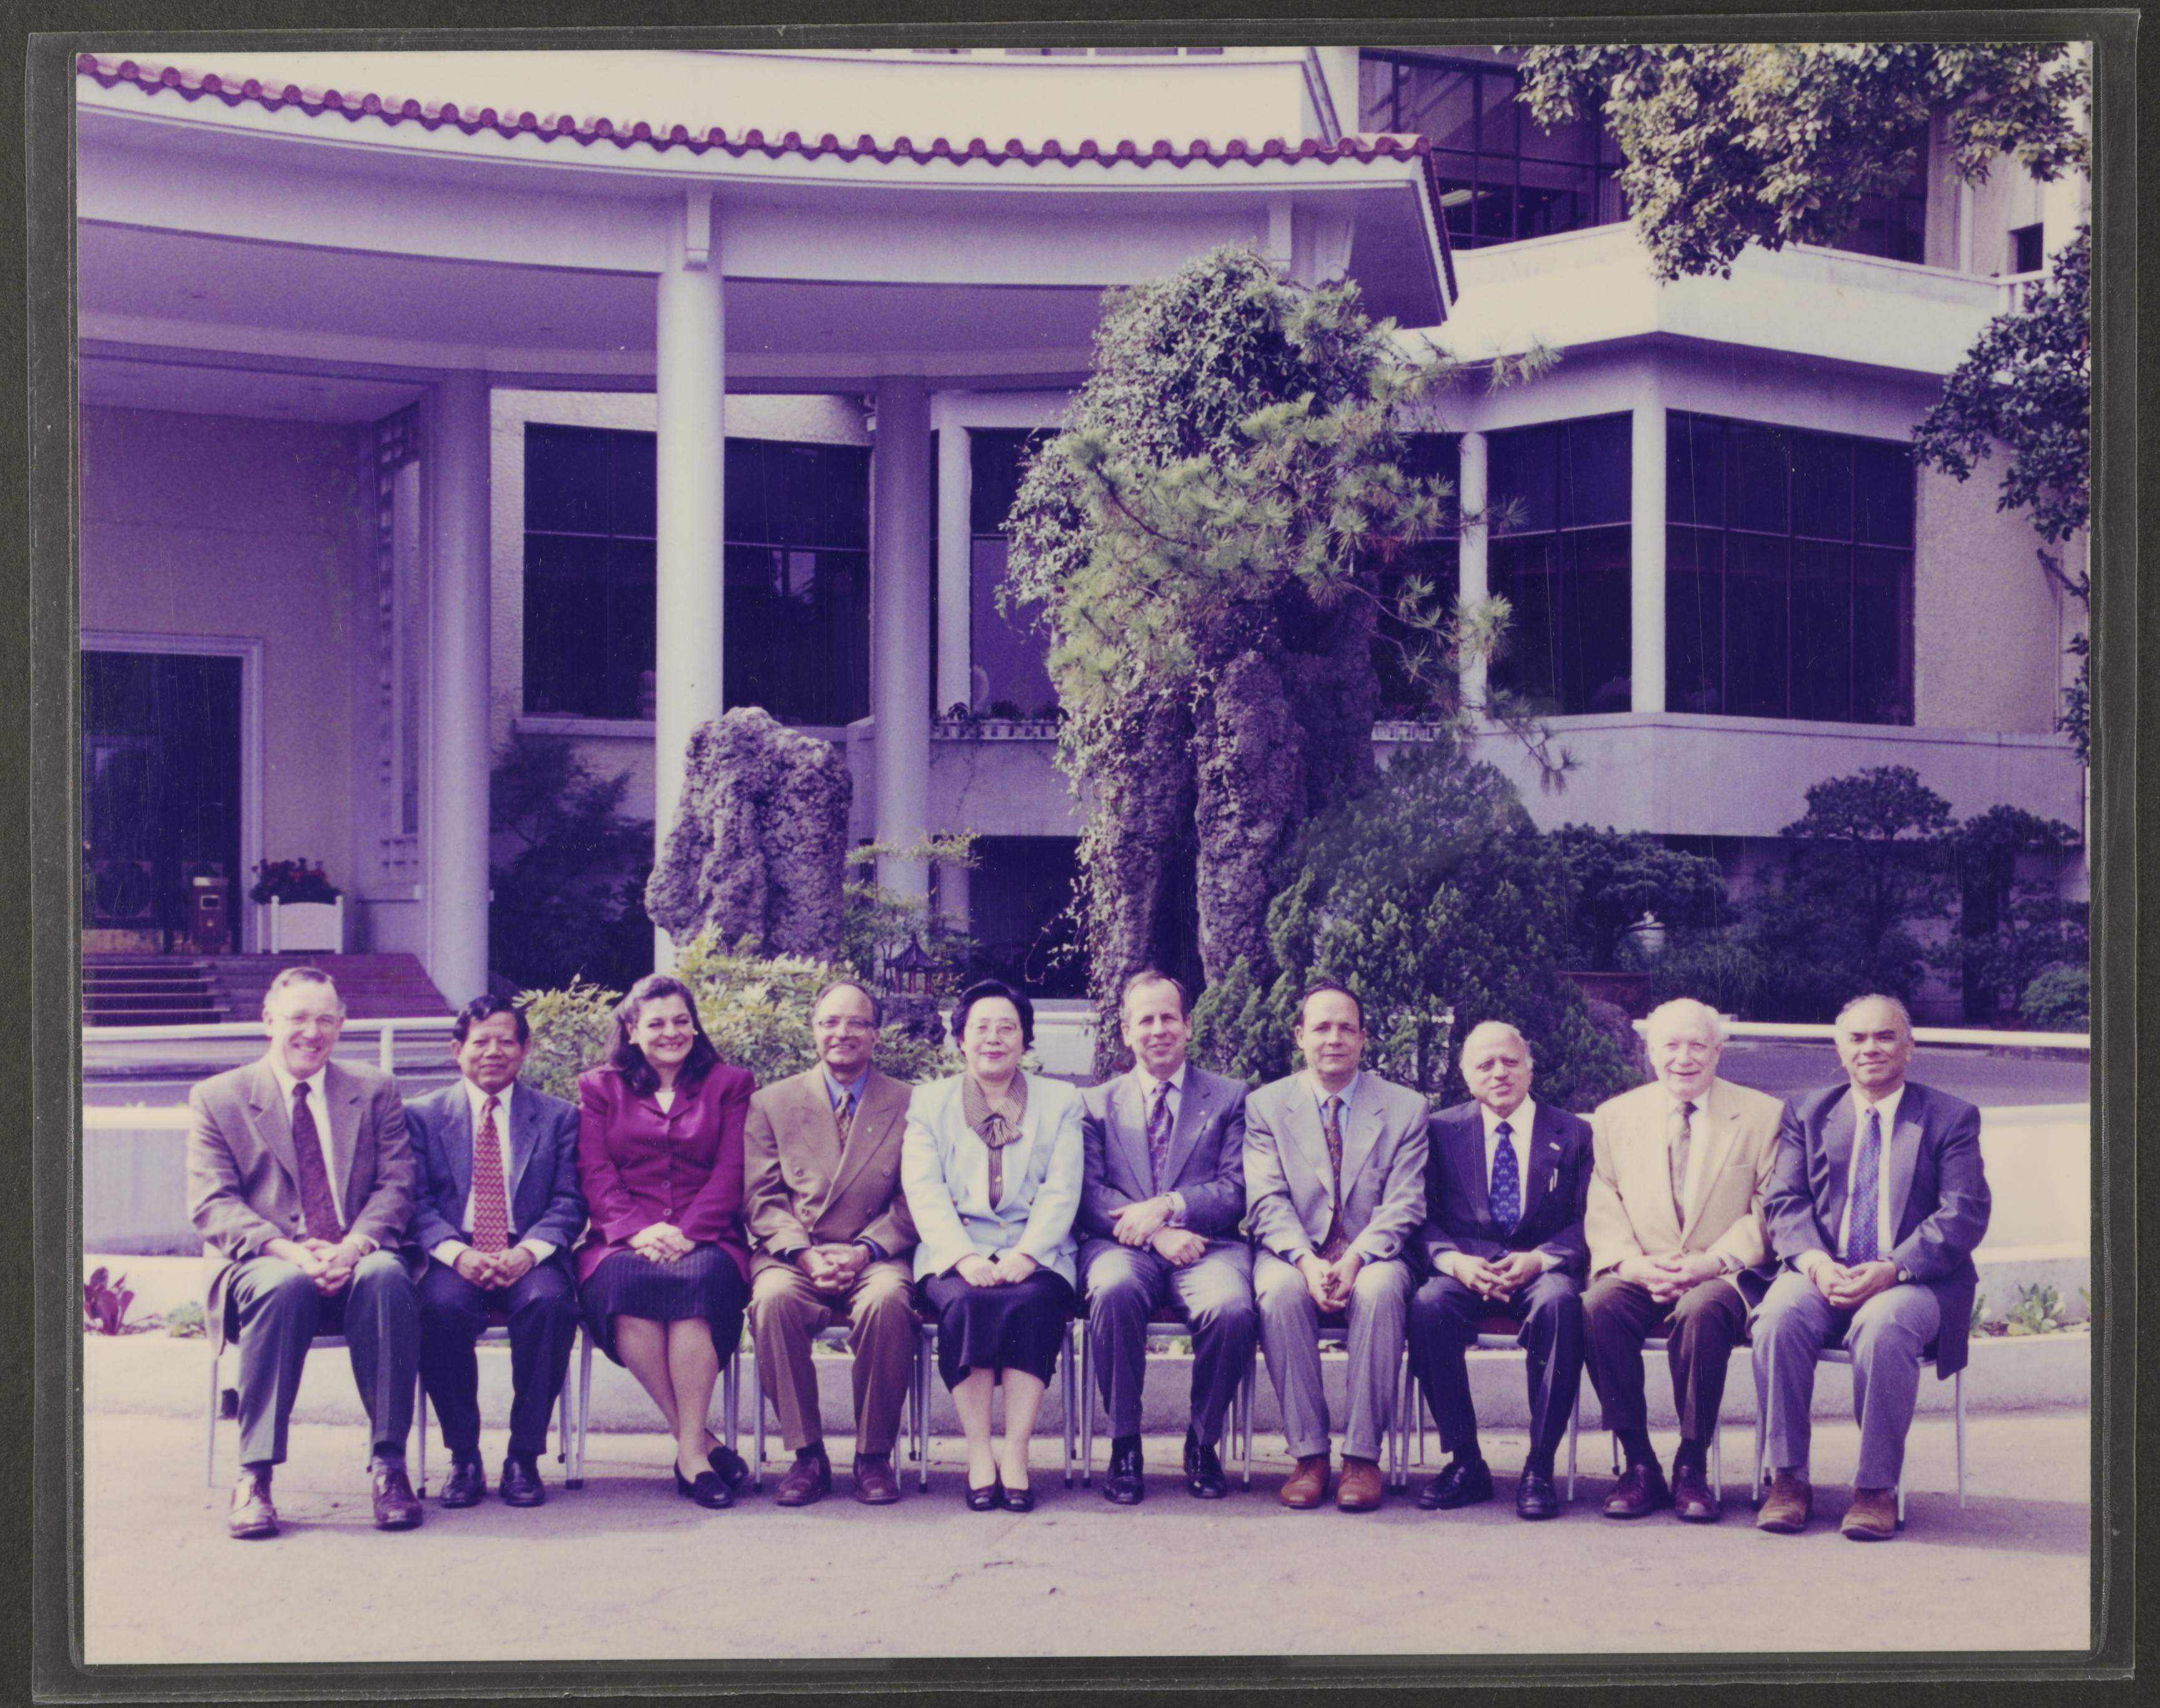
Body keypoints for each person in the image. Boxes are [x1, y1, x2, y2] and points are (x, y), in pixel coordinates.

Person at [186, 966, 422, 1539]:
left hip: (356, 1256)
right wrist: (292, 1253)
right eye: (298, 1018)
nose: (311, 1033)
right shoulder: (219, 1098)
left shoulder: (375, 1090)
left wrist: (352, 1247)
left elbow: (397, 1184)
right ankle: (254, 1477)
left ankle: (390, 1468)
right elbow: (213, 1203)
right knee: (283, 1284)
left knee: (387, 1273)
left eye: (325, 1020)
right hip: (265, 1265)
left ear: (342, 1024)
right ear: (268, 1021)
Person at [1754, 994, 1991, 1541]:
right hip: (1825, 1274)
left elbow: (1964, 1212)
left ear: (1910, 1047)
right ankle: (1787, 1480)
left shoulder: (1951, 1117)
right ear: (1839, 1050)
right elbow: (1784, 1201)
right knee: (1778, 1315)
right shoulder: (1807, 1113)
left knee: (1884, 1324)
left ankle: (1875, 1489)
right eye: (1857, 1038)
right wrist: (1815, 1265)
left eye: (1885, 1036)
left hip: (1916, 1282)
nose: (1870, 1048)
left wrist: (1894, 1268)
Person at [1582, 996, 1783, 1523]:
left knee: (1702, 1310)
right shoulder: (1615, 1116)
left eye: (1697, 1045)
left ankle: (1692, 1461)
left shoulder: (1762, 1115)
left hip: (1721, 1274)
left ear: (1718, 1052)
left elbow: (1768, 1207)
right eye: (1670, 1045)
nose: (1684, 1058)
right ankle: (1639, 1464)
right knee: (1597, 1307)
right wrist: (1629, 1264)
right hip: (1642, 1269)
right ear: (1651, 1052)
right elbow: (1604, 1200)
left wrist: (1712, 1263)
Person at [1244, 979, 1428, 1512]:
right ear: (1299, 1036)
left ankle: (1363, 1458)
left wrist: (1355, 1259)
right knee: (1279, 1293)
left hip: (1374, 1254)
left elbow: (1405, 1202)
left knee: (1379, 1291)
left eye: (1347, 1028)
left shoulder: (1406, 1108)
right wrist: (1305, 1261)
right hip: (1293, 1251)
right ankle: (1310, 1456)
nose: (1334, 1039)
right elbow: (1266, 1200)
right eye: (1321, 1027)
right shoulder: (1266, 1106)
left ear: (1363, 1038)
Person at [901, 979, 1084, 1513]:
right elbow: (924, 1189)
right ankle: (980, 1452)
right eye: (981, 1028)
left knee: (1033, 1302)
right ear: (961, 1038)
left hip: (1038, 1250)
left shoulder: (1061, 1101)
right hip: (956, 1249)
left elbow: (1063, 1187)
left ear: (1025, 1039)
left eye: (1008, 1028)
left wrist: (1029, 1254)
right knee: (967, 1302)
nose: (994, 1038)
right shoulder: (929, 1103)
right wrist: (963, 1257)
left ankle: (1017, 1452)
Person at [574, 974, 755, 1509]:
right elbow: (595, 1170)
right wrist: (637, 1229)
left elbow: (733, 1169)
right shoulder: (600, 1087)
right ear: (632, 1031)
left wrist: (688, 1233)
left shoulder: (730, 1084)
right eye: (656, 1024)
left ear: (695, 1026)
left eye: (681, 1020)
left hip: (709, 1237)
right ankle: (698, 1447)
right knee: (623, 1285)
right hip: (623, 1239)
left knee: (699, 1284)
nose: (671, 1032)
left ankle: (690, 1450)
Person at [1077, 969, 1256, 1503]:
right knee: (1113, 1291)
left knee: (1230, 1308)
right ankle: (1125, 1446)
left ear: (1188, 1025)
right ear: (1126, 1032)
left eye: (1169, 1018)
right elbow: (1088, 1193)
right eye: (1146, 1020)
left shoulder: (1230, 1098)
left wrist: (1171, 1207)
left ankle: (1202, 1443)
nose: (1158, 1030)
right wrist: (1155, 1233)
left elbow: (1236, 1188)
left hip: (1208, 1246)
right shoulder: (1095, 1104)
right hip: (1121, 1246)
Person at [742, 978, 920, 1506]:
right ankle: (807, 1456)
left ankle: (873, 1456)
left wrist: (866, 1249)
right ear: (814, 1031)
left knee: (888, 1302)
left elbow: (918, 1196)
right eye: (830, 1022)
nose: (842, 1033)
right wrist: (802, 1253)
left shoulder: (910, 1103)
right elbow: (760, 1197)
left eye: (856, 1023)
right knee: (772, 1300)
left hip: (875, 1253)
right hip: (795, 1252)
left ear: (876, 1035)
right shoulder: (772, 1103)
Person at [1406, 1019, 1593, 1521]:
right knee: (1427, 1306)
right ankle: (1466, 1462)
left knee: (1560, 1305)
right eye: (1485, 1064)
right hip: (1466, 1268)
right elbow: (1417, 1215)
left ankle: (1539, 1465)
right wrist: (1453, 1262)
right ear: (1467, 1077)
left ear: (1530, 1069)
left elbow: (1591, 1219)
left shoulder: (1574, 1133)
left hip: (1541, 1267)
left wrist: (1541, 1259)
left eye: (1510, 1062)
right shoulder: (1439, 1131)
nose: (1499, 1073)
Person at [404, 994, 586, 1509]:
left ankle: (524, 1456)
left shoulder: (558, 1117)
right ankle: (463, 1456)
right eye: (480, 1041)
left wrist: (528, 1251)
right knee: (439, 1309)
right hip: (453, 1251)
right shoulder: (421, 1116)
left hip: (527, 1250)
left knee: (550, 1305)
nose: (493, 1052)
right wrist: (455, 1253)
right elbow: (413, 1201)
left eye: (506, 1041)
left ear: (525, 1048)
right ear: (457, 1049)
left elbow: (571, 1200)